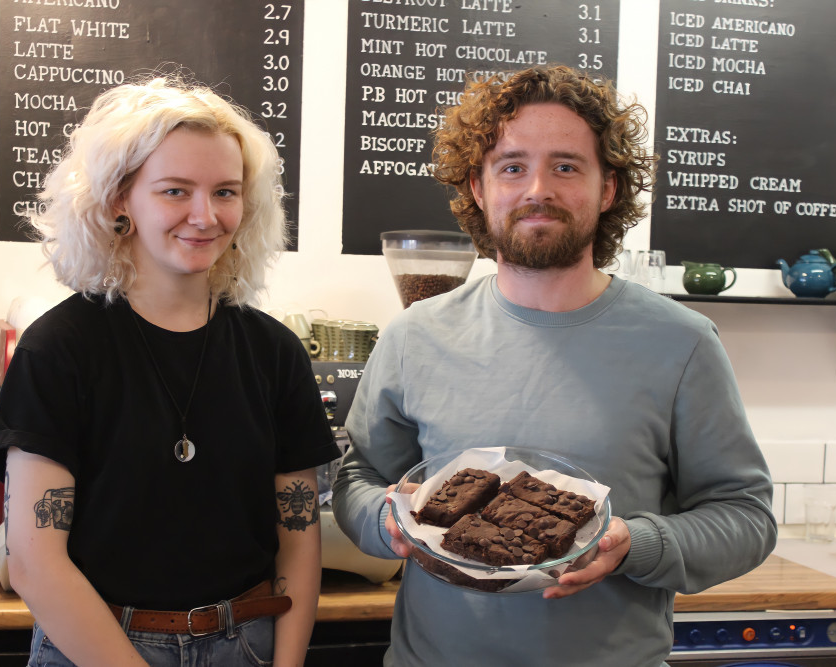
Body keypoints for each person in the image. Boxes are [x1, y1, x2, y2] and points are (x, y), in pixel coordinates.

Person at [332, 64, 777, 666]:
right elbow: (355, 481)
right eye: (512, 166)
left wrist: (636, 544)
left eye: (566, 166)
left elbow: (746, 519)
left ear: (609, 188)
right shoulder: (416, 334)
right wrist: (386, 521)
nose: (537, 188)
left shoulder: (682, 342)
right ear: (478, 187)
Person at [0, 75, 341, 667]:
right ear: (121, 198)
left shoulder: (275, 353)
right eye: (176, 191)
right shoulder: (60, 349)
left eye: (225, 192)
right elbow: (35, 562)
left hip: (246, 644)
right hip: (96, 644)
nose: (205, 216)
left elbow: (298, 544)